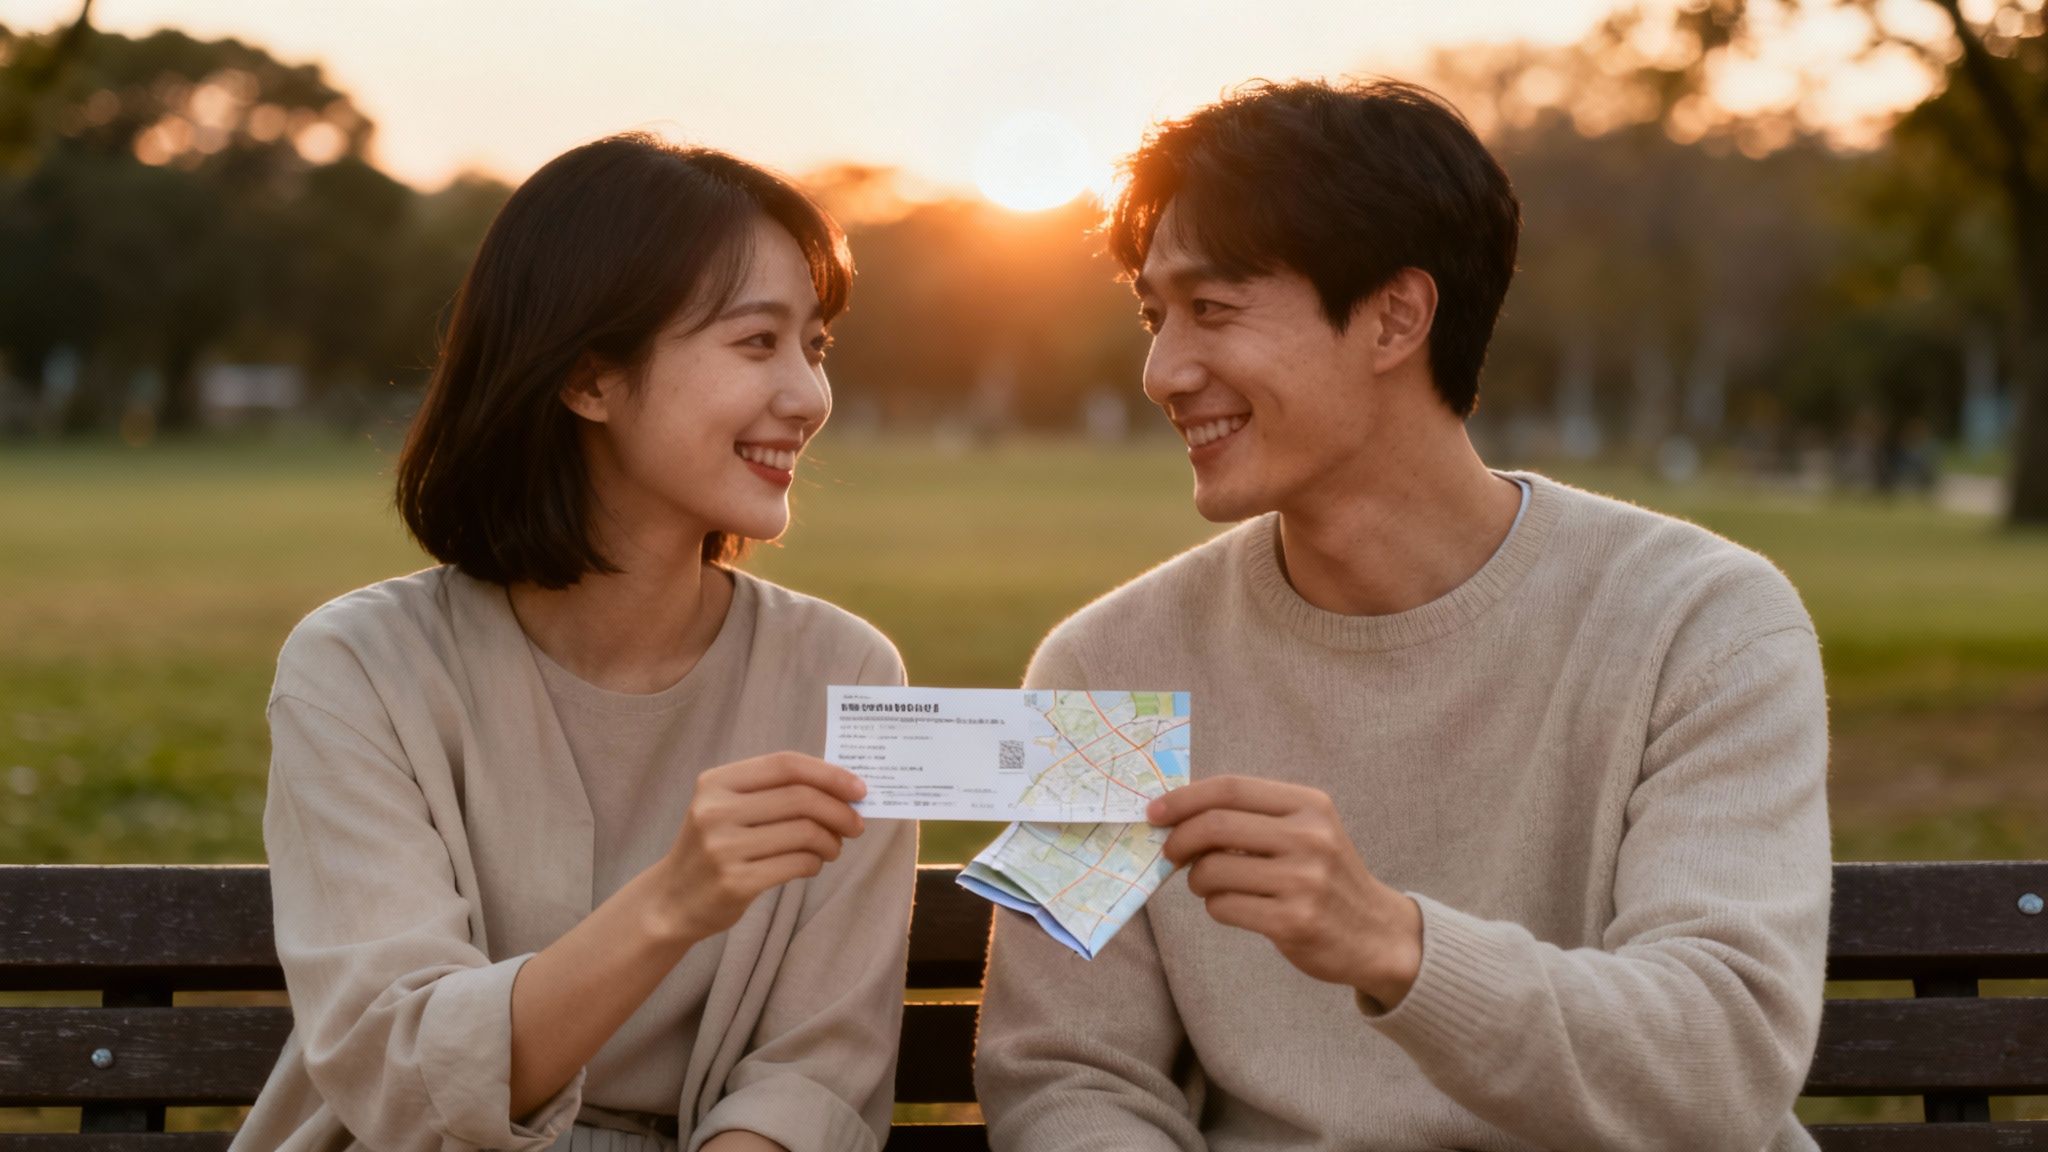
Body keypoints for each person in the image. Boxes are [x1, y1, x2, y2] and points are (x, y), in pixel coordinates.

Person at [974, 80, 1830, 1151]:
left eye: (1213, 309)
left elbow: (1722, 1064)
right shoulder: (1104, 671)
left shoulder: (1701, 624)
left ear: (1395, 317)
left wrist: (1393, 945)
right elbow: (1067, 1072)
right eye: (1156, 316)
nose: (1162, 372)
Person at [231, 135, 915, 1152]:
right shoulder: (361, 669)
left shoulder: (845, 676)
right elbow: (403, 1076)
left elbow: (814, 1077)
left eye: (813, 347)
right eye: (756, 342)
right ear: (589, 377)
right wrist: (672, 903)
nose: (808, 397)